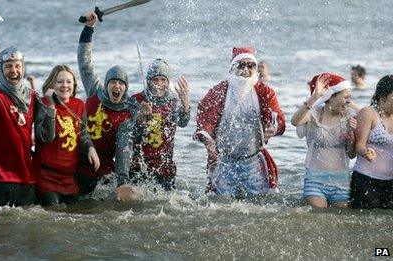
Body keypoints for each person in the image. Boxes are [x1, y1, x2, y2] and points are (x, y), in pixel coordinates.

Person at [194, 47, 285, 198]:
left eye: (251, 66)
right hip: (224, 161)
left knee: (261, 203)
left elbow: (278, 118)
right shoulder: (218, 92)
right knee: (221, 205)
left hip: (253, 160)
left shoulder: (264, 92)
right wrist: (208, 141)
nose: (246, 70)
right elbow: (205, 120)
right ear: (232, 68)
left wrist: (273, 128)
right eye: (241, 65)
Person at [0, 47, 56, 209]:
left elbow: (46, 136)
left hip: (25, 178)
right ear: (0, 70)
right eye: (8, 66)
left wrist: (51, 107)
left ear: (23, 68)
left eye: (17, 66)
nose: (13, 70)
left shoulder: (32, 97)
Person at [76, 11, 135, 201]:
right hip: (80, 166)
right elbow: (85, 63)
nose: (116, 86)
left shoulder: (129, 109)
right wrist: (89, 29)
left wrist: (123, 181)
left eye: (121, 83)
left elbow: (124, 149)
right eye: (113, 82)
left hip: (105, 175)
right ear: (107, 83)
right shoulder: (95, 92)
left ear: (125, 88)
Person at [33, 65, 100, 206]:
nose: (65, 86)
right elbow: (46, 136)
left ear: (74, 85)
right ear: (51, 85)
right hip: (46, 177)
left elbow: (83, 133)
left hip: (69, 179)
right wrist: (51, 106)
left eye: (69, 82)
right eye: (60, 82)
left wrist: (90, 147)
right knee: (55, 214)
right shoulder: (42, 104)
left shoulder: (79, 105)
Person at [121, 59, 191, 191]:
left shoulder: (173, 101)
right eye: (155, 80)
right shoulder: (136, 100)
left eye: (163, 80)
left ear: (168, 82)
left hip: (165, 168)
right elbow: (130, 133)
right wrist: (141, 117)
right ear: (148, 81)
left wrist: (185, 104)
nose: (159, 84)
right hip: (139, 167)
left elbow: (183, 122)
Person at [291, 73, 358, 208]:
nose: (349, 101)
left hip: (341, 180)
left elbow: (351, 154)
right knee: (319, 216)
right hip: (315, 179)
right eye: (345, 97)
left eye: (350, 98)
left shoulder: (349, 118)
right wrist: (315, 97)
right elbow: (295, 121)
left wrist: (351, 132)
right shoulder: (314, 115)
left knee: (341, 220)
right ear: (330, 97)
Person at [350, 75, 393, 209]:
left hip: (390, 182)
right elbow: (359, 146)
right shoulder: (368, 113)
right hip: (366, 180)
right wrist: (366, 152)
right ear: (383, 96)